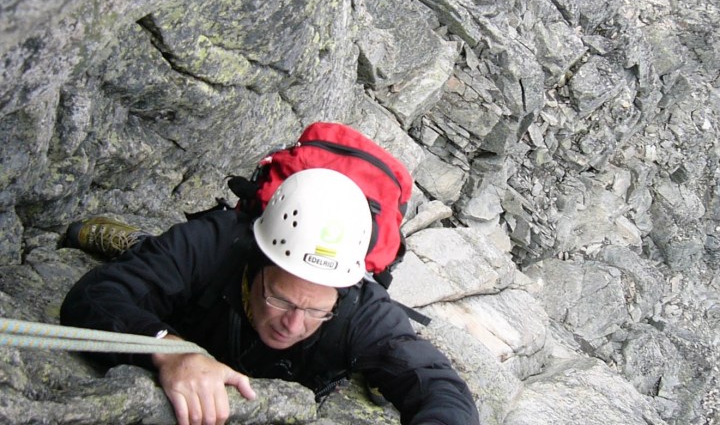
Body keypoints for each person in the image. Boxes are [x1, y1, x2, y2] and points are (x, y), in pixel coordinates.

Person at [60, 168, 480, 425]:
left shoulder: (359, 309)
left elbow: (438, 387)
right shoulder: (216, 244)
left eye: (317, 309)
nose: (294, 324)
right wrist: (168, 349)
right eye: (281, 299)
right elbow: (96, 297)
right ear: (255, 261)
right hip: (195, 308)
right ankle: (135, 242)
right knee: (156, 260)